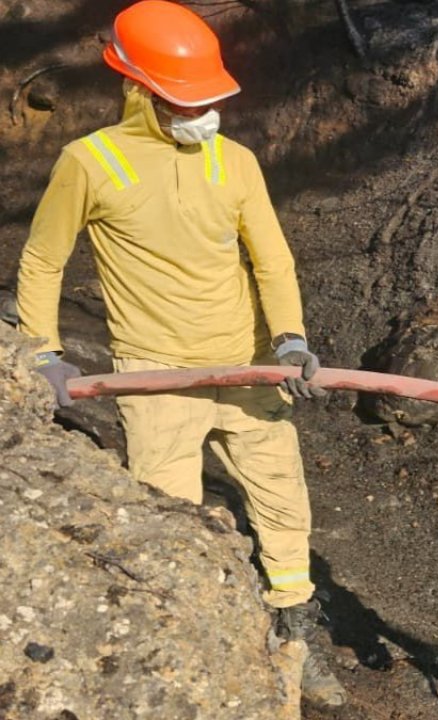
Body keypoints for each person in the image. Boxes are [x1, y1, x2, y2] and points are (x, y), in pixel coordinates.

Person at [15, 1, 344, 707]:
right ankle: (192, 647)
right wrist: (44, 355)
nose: (201, 116)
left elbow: (273, 262)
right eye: (181, 102)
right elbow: (43, 261)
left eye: (207, 101)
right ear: (135, 89)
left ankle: (296, 629)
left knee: (283, 498)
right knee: (170, 522)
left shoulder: (237, 162)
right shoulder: (90, 162)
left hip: (249, 364)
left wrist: (289, 338)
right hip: (154, 374)